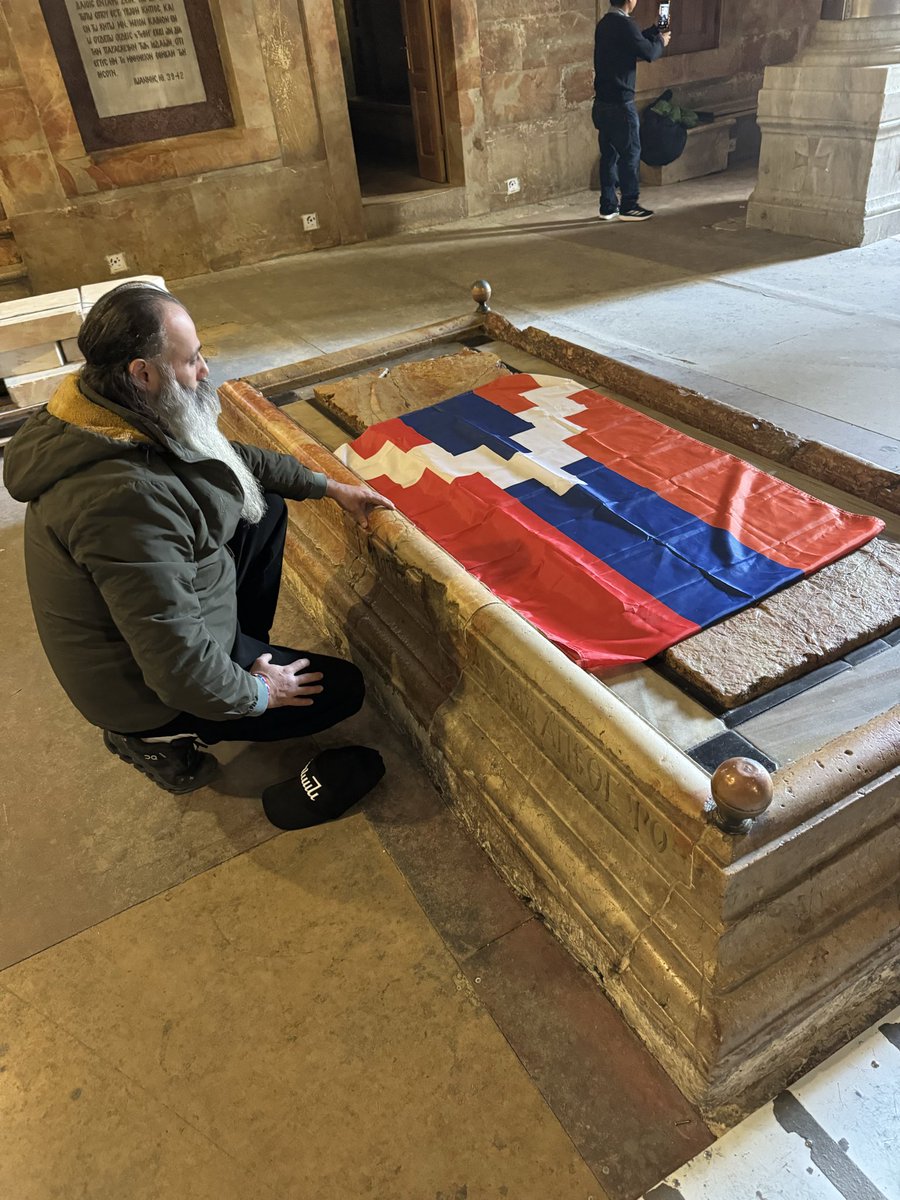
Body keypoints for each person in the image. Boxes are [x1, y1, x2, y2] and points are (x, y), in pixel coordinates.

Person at [3, 281, 395, 804]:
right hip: (147, 693)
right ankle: (155, 739)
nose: (205, 372)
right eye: (191, 361)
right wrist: (259, 693)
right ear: (143, 372)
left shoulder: (108, 408)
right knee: (343, 691)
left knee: (264, 505)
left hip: (164, 634)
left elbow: (234, 461)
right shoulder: (121, 503)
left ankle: (241, 649)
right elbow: (178, 669)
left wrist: (330, 488)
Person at [592, 0, 671, 222]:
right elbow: (648, 52)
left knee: (609, 155)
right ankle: (629, 204)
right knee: (631, 154)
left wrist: (655, 29)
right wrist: (661, 41)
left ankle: (608, 206)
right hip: (621, 104)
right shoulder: (625, 25)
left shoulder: (606, 23)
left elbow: (633, 42)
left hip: (602, 103)